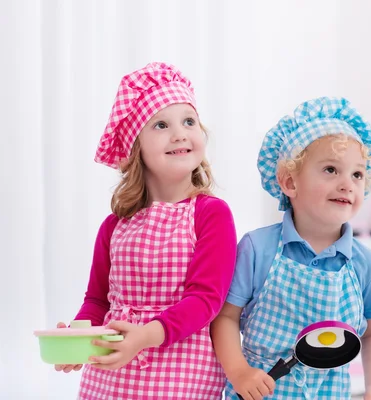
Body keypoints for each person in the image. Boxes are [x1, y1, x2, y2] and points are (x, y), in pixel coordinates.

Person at [54, 62, 237, 400]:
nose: (180, 133)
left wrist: (146, 335)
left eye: (189, 121)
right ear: (136, 148)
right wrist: (79, 336)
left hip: (182, 370)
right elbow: (97, 299)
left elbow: (206, 300)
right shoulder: (114, 225)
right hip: (113, 369)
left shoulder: (211, 214)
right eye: (161, 124)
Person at [211, 96, 371, 400]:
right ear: (289, 182)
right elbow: (225, 318)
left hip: (330, 392)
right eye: (331, 170)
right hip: (258, 391)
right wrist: (239, 371)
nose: (348, 183)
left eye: (357, 174)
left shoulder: (365, 262)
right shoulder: (258, 248)